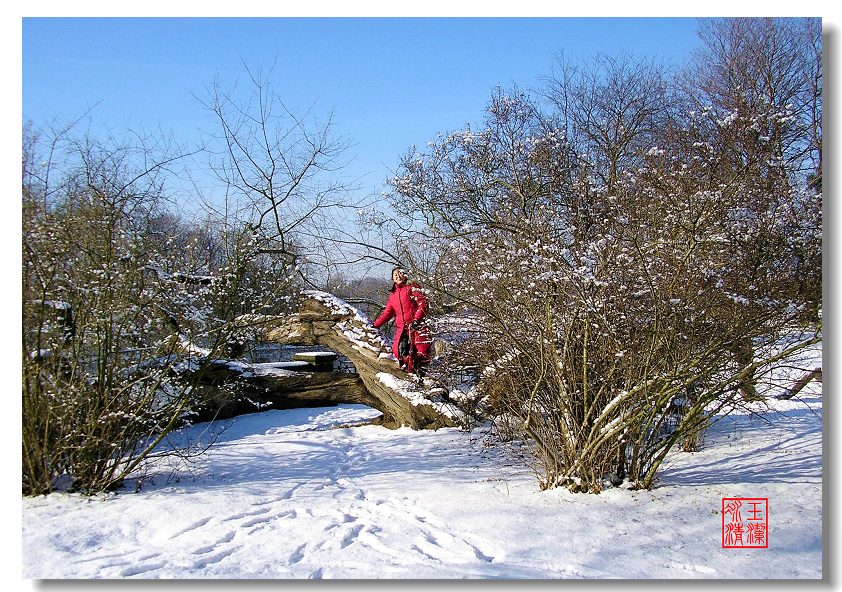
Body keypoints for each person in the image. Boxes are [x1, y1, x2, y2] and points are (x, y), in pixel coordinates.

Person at [373, 267, 432, 375]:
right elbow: (387, 313)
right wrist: (375, 325)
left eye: (400, 273)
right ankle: (409, 376)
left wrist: (416, 321)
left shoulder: (413, 288)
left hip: (418, 327)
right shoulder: (393, 295)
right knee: (399, 353)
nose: (398, 276)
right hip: (402, 330)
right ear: (393, 279)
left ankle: (422, 377)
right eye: (395, 275)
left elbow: (423, 303)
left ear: (405, 275)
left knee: (422, 353)